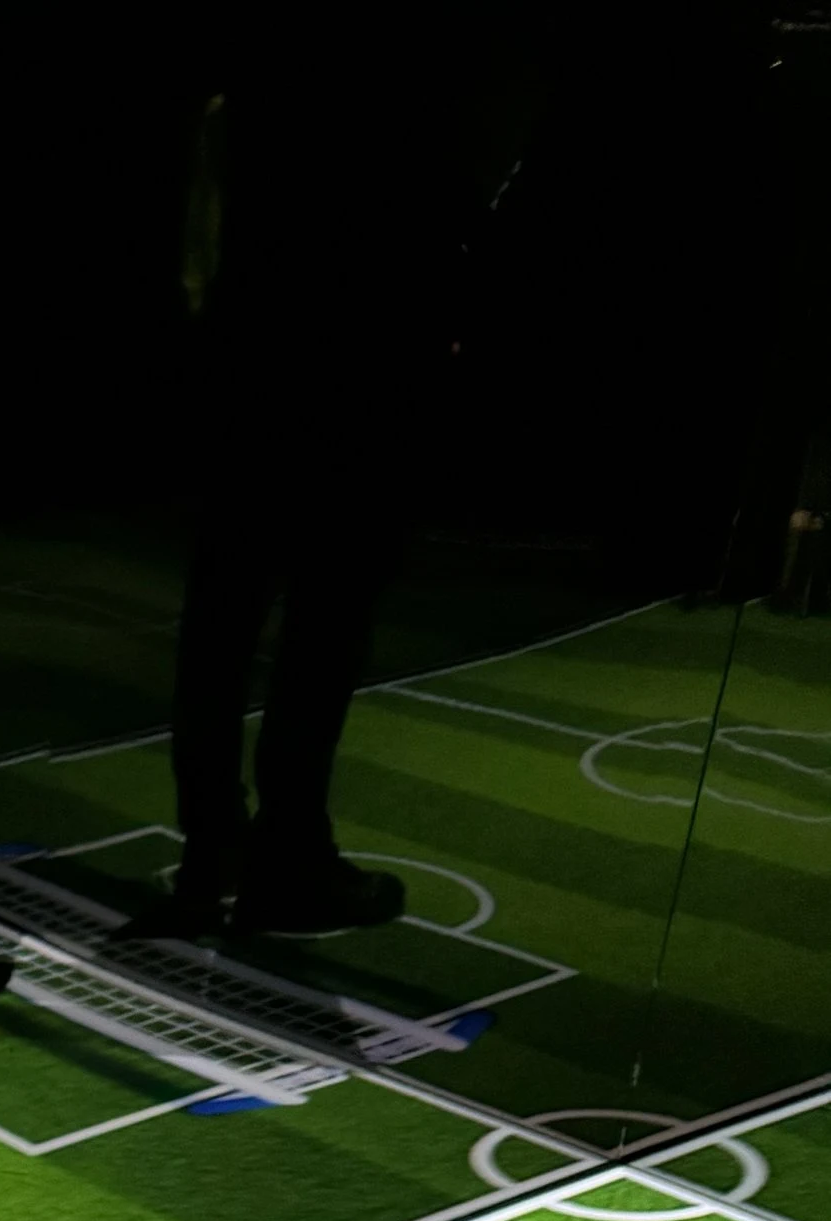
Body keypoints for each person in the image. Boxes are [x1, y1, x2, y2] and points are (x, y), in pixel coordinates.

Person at [132, 15, 540, 941]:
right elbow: (477, 143)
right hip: (362, 325)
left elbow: (217, 126)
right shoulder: (415, 65)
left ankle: (216, 852)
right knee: (322, 611)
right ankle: (279, 853)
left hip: (265, 318)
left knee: (230, 606)